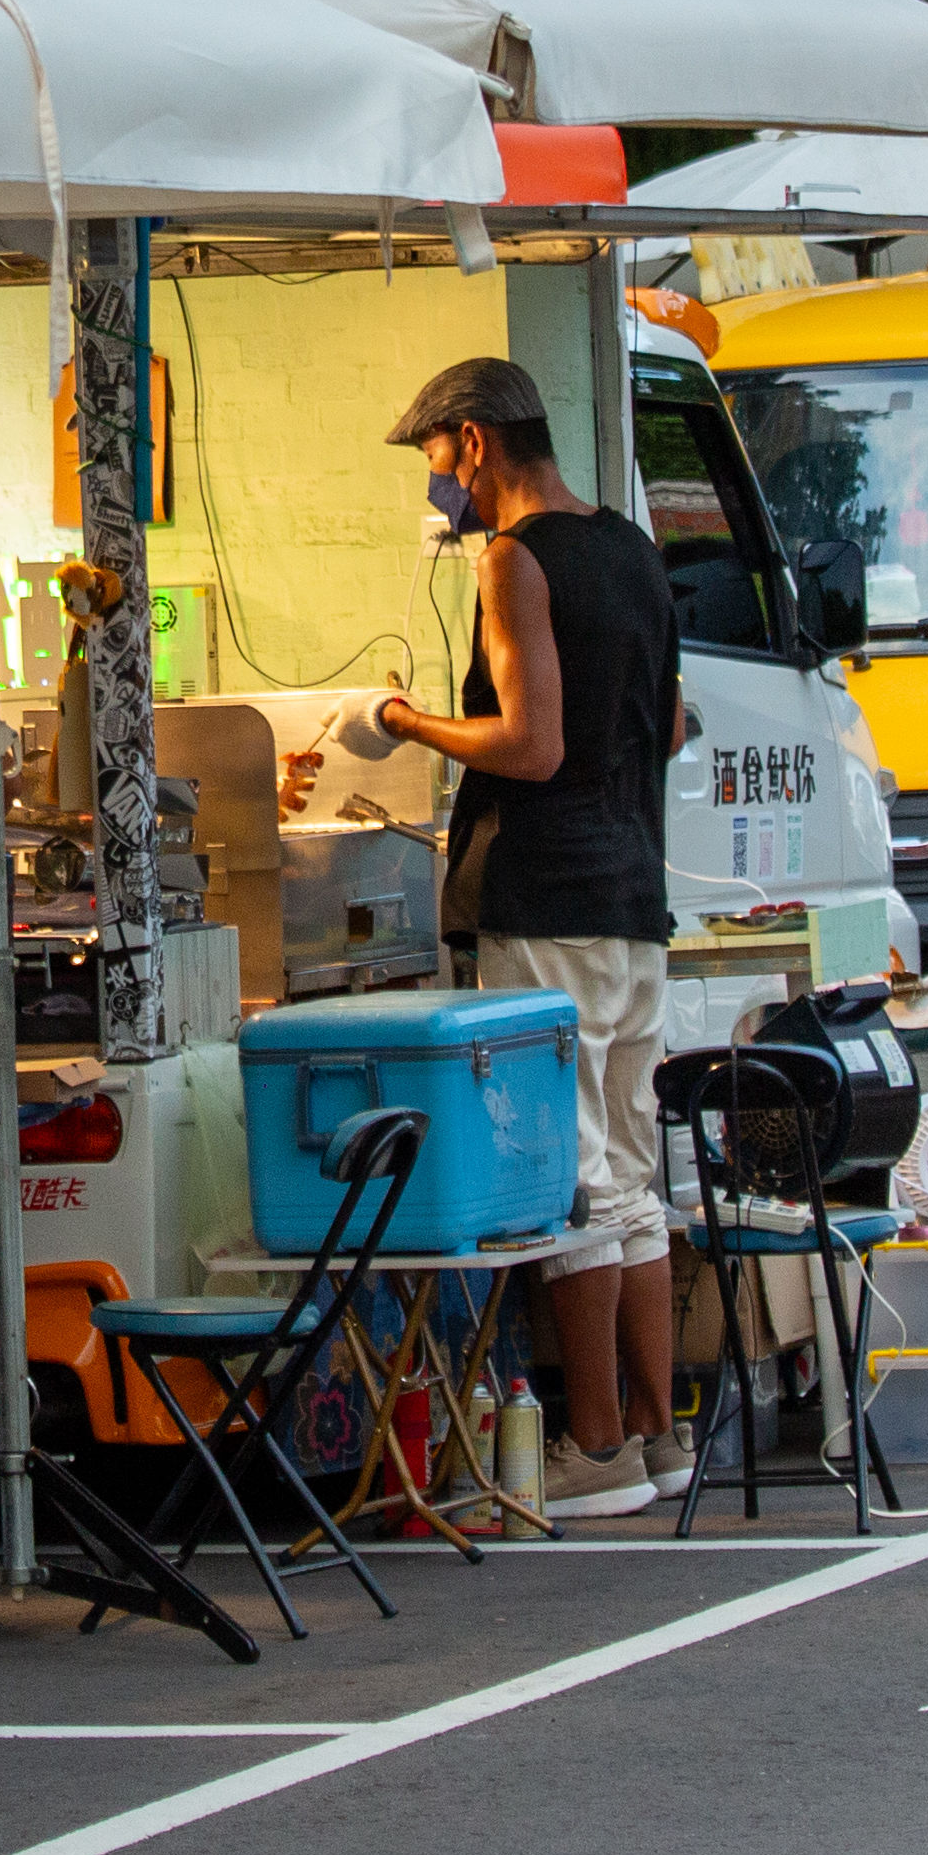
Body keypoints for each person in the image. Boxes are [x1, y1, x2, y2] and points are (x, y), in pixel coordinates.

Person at [368, 357, 685, 1520]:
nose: (439, 486)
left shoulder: (516, 560)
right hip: (635, 899)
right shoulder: (635, 551)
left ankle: (594, 1444)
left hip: (548, 900)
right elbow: (672, 721)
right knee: (634, 1173)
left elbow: (532, 744)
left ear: (473, 442)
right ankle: (657, 1436)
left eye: (436, 460)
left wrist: (404, 721)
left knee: (579, 1183)